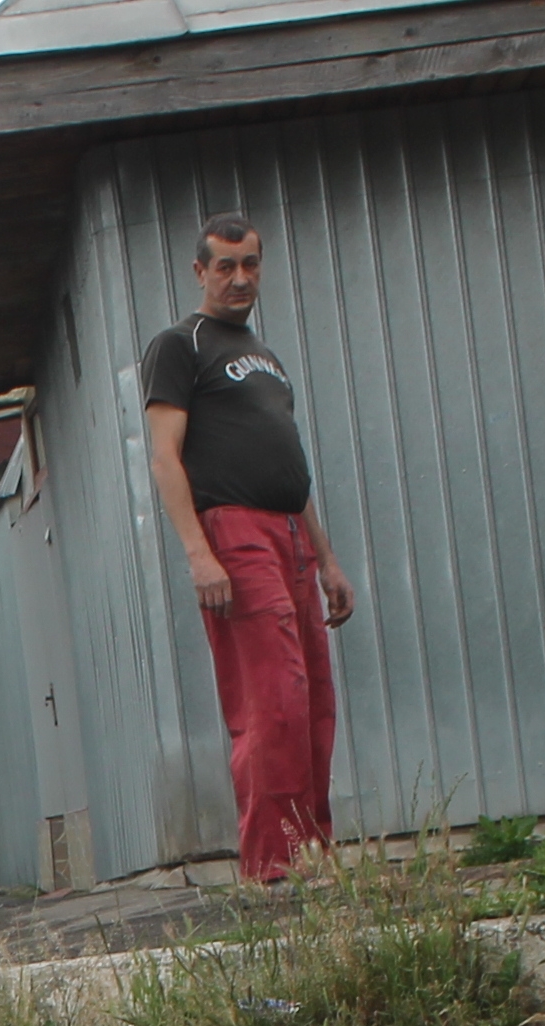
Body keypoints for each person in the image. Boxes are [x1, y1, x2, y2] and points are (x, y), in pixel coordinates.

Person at [141, 214, 358, 886]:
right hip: (234, 533)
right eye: (226, 266)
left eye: (251, 265)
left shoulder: (265, 355)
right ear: (200, 271)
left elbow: (290, 467)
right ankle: (270, 865)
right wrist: (199, 553)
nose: (240, 279)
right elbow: (165, 459)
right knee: (273, 700)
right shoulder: (181, 346)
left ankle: (312, 851)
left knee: (316, 701)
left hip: (291, 533)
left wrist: (326, 559)